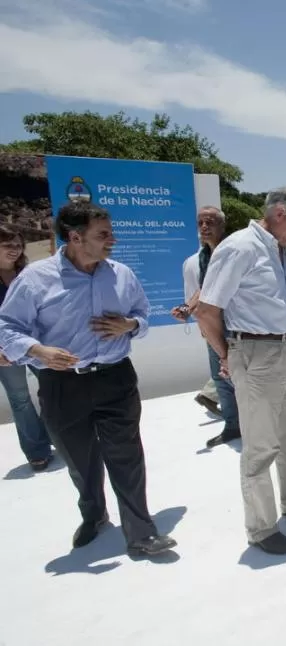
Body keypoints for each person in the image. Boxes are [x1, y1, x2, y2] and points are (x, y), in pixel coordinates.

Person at [0, 202, 176, 555]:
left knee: (126, 455)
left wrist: (131, 325)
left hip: (116, 378)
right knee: (80, 459)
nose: (113, 239)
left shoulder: (122, 274)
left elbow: (142, 313)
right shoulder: (35, 279)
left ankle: (141, 531)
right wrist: (38, 351)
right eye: (104, 234)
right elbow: (7, 327)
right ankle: (94, 514)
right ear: (75, 236)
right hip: (62, 383)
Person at [195, 187, 286, 556]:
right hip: (255, 352)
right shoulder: (240, 247)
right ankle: (261, 528)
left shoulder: (278, 250)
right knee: (260, 446)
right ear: (280, 213)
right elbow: (207, 312)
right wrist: (228, 356)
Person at [172, 205, 240, 448]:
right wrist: (187, 308)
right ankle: (233, 426)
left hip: (238, 327)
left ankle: (256, 426)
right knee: (220, 379)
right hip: (213, 327)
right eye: (200, 222)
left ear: (222, 226)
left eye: (210, 222)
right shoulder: (202, 257)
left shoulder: (232, 252)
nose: (204, 227)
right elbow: (206, 288)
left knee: (241, 379)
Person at [0, 225, 54, 471]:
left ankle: (55, 436)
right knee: (20, 399)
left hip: (36, 344)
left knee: (53, 390)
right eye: (8, 245)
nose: (14, 250)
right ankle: (37, 450)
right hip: (4, 348)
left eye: (18, 245)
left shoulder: (28, 273)